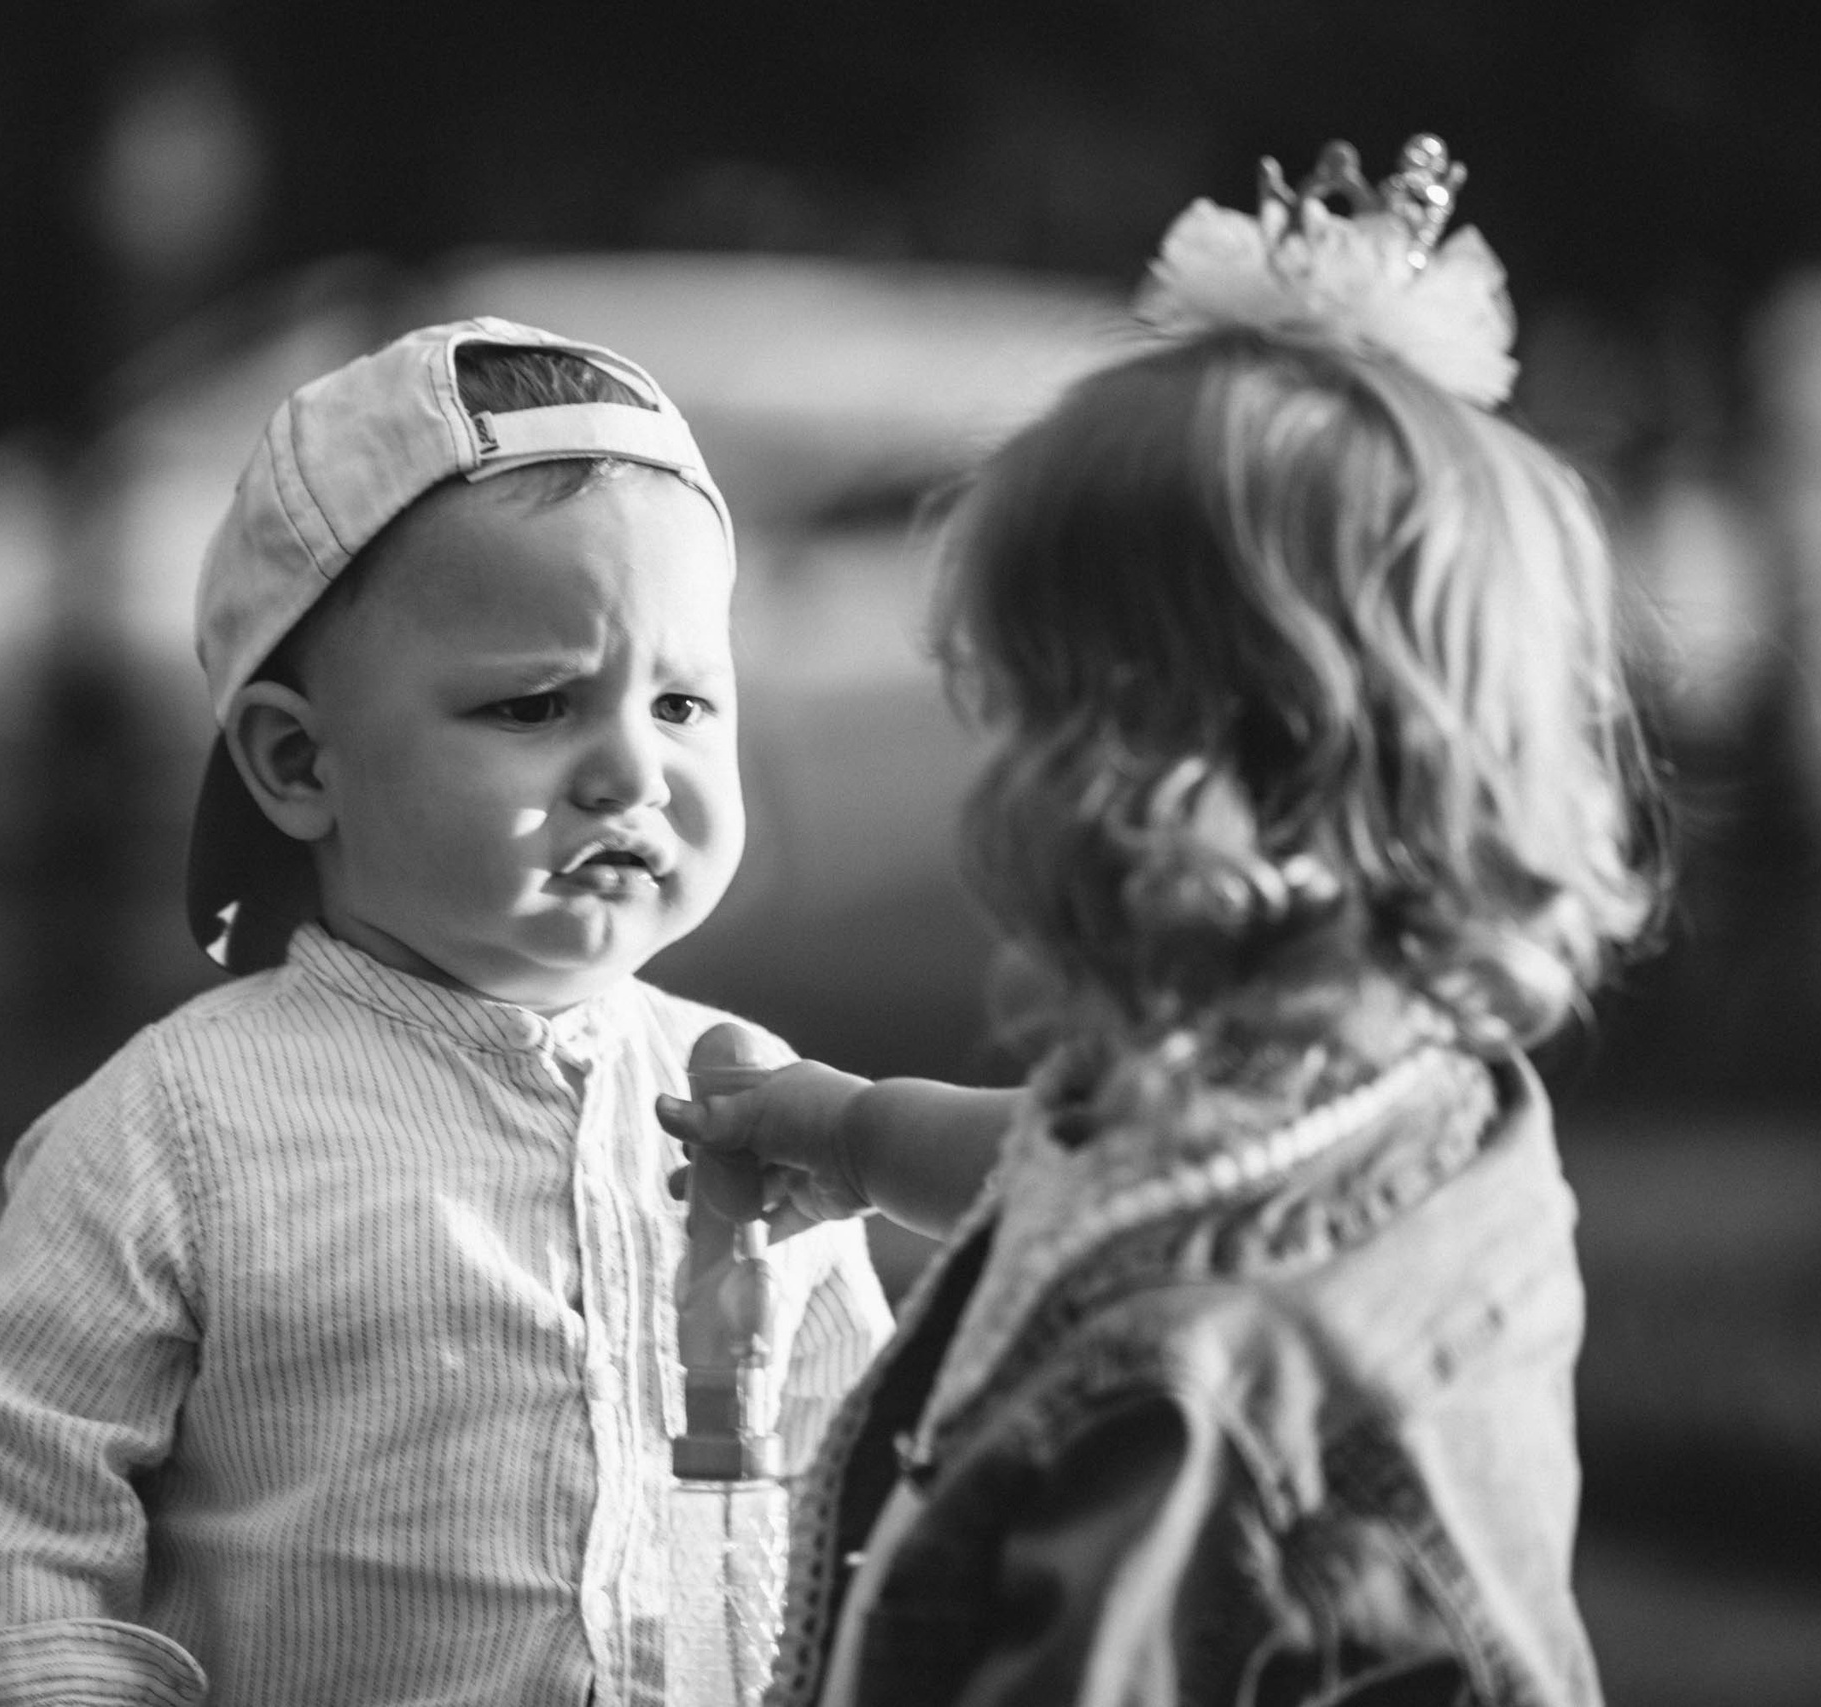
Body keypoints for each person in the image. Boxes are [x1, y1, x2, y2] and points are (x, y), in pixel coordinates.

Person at [659, 137, 1661, 1706]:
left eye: (1018, 708)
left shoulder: (1180, 1400)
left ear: (1151, 775)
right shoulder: (1393, 1114)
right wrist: (845, 1133)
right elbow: (1068, 1175)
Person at [0, 319, 893, 1707]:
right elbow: (20, 1518)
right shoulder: (177, 1129)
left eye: (680, 701)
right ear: (301, 763)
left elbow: (865, 1486)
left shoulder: (755, 1100)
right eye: (536, 704)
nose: (630, 771)